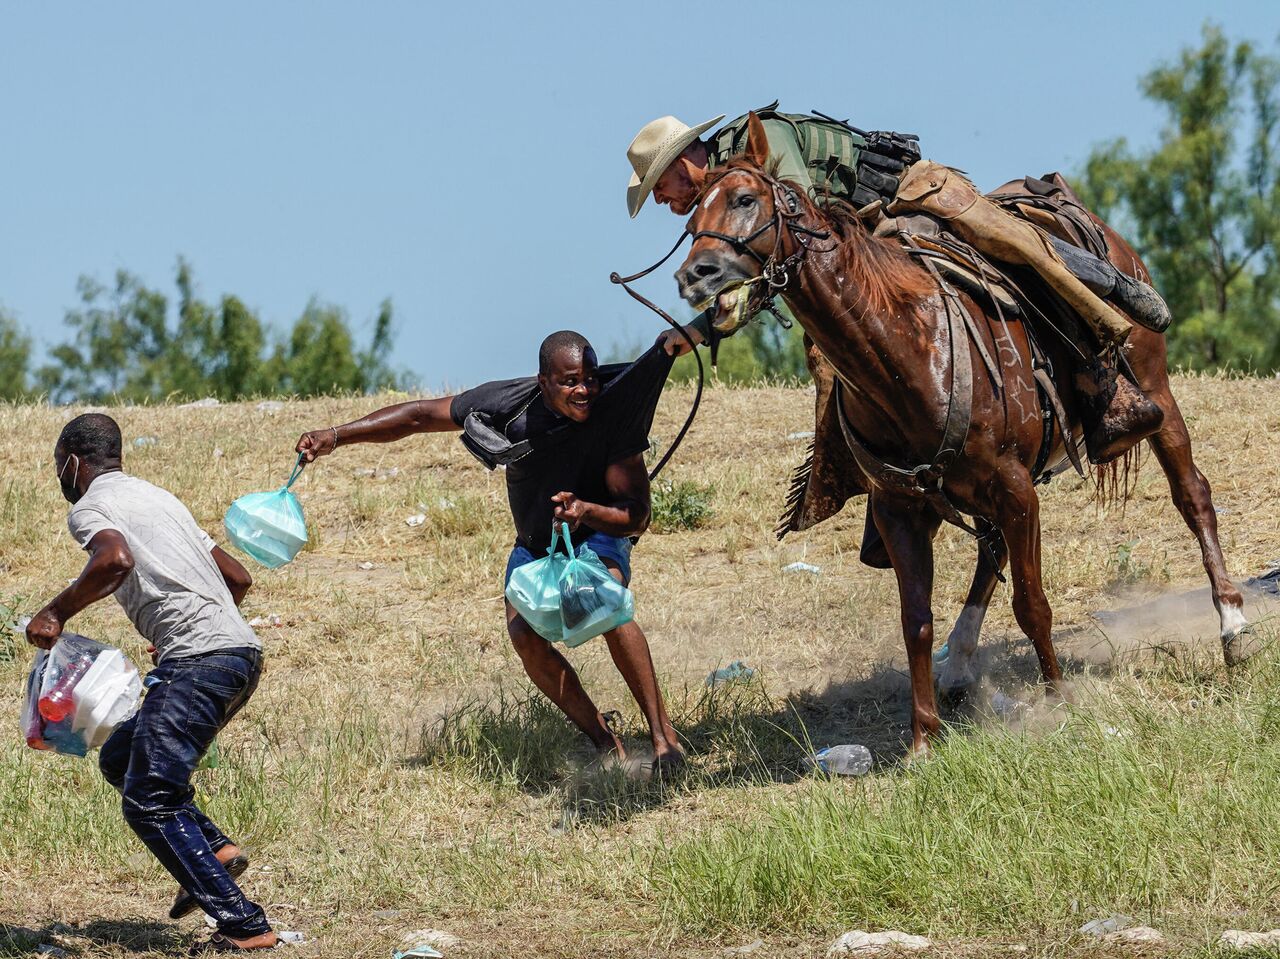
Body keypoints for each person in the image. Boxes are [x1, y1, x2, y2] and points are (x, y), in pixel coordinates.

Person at [625, 104, 1170, 463]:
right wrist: (700, 328)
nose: (659, 199)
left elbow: (797, 231)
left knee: (1012, 248)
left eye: (659, 184)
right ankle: (875, 472)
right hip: (861, 244)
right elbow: (769, 269)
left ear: (684, 161)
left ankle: (1106, 343)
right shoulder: (723, 203)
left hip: (907, 197)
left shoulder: (758, 147)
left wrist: (705, 324)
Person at [295, 331, 684, 773]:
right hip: (536, 547)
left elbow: (637, 516)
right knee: (525, 637)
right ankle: (604, 742)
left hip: (595, 534)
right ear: (543, 381)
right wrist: (336, 435)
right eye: (571, 381)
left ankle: (663, 739)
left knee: (604, 602)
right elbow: (420, 417)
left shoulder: (614, 414)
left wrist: (586, 510)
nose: (584, 391)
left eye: (591, 379)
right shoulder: (507, 403)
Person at [25, 413, 275, 954]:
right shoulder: (161, 498)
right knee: (121, 756)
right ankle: (215, 850)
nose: (59, 478)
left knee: (150, 799)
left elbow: (114, 559)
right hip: (239, 654)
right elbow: (237, 577)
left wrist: (55, 612)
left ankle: (244, 926)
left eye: (57, 466)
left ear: (72, 461)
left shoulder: (92, 506)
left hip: (200, 661)